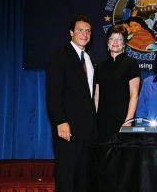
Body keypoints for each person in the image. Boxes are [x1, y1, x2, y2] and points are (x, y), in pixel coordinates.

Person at [46, 15, 97, 192]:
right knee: (67, 179)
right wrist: (60, 121)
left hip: (87, 131)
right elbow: (53, 93)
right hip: (67, 130)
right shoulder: (59, 56)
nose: (85, 34)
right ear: (71, 33)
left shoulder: (90, 59)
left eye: (88, 31)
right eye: (80, 30)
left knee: (83, 180)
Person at [95, 24, 141, 142]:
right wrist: (94, 118)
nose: (115, 42)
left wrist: (128, 121)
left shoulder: (131, 64)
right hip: (102, 121)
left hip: (123, 120)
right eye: (112, 38)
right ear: (107, 42)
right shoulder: (100, 66)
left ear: (124, 43)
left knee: (122, 158)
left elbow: (134, 95)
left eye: (120, 39)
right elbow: (97, 96)